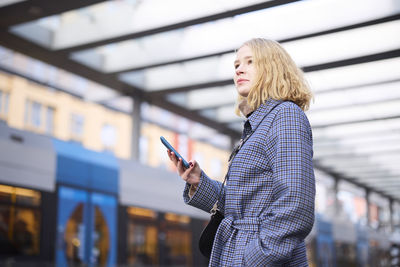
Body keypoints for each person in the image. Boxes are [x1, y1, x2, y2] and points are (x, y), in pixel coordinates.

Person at [167, 38, 315, 266]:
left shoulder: (286, 115)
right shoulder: (259, 124)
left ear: (272, 68)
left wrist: (253, 258)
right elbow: (244, 206)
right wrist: (199, 181)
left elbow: (296, 206)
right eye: (236, 65)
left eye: (250, 62)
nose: (239, 69)